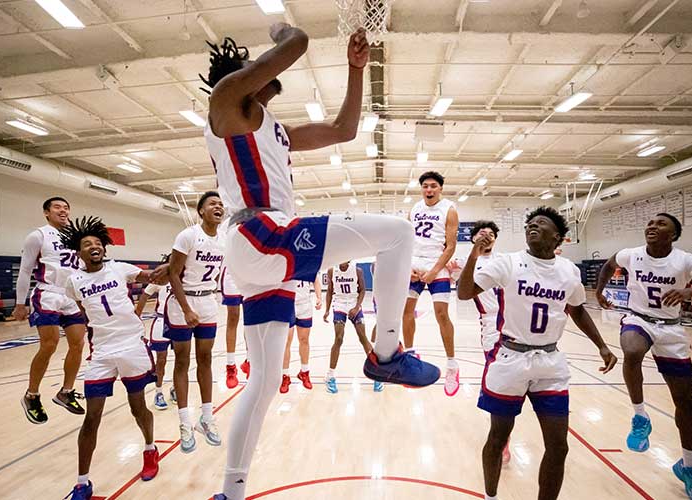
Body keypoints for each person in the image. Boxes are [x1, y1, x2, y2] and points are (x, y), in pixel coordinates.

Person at [201, 24, 439, 500]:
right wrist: (283, 29)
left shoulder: (276, 130)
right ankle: (388, 355)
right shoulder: (226, 101)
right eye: (257, 68)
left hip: (257, 255)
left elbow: (343, 130)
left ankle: (231, 489)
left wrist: (356, 71)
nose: (268, 75)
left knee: (266, 380)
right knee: (398, 233)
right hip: (262, 233)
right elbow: (298, 44)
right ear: (245, 73)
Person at [457, 207, 617, 500]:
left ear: (557, 236)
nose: (532, 226)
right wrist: (473, 255)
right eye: (529, 223)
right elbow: (464, 292)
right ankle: (491, 497)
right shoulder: (509, 263)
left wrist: (602, 345)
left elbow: (578, 310)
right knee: (497, 437)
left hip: (550, 363)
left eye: (540, 223)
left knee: (559, 446)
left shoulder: (569, 271)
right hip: (510, 357)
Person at [594, 213, 692, 500]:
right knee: (632, 350)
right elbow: (607, 265)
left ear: (673, 234)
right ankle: (640, 417)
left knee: (685, 404)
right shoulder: (631, 255)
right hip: (638, 319)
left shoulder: (687, 260)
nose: (652, 226)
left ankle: (689, 468)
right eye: (650, 223)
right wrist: (599, 291)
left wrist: (689, 290)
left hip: (671, 329)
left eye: (661, 224)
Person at [59, 216, 166, 500]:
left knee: (137, 408)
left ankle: (150, 449)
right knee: (92, 418)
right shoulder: (74, 281)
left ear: (104, 248)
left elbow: (153, 278)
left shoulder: (120, 268)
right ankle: (82, 483)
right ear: (79, 252)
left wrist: (171, 266)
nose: (94, 246)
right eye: (87, 244)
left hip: (131, 344)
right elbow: (83, 311)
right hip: (102, 351)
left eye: (97, 242)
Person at [14, 196, 87, 424]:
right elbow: (25, 271)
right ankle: (31, 395)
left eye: (66, 207)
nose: (63, 210)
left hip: (71, 295)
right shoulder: (38, 235)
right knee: (49, 344)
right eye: (57, 207)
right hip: (48, 293)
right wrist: (20, 303)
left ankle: (65, 391)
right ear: (47, 212)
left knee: (78, 344)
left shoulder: (77, 237)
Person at [165, 191, 226, 452]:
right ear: (200, 211)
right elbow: (173, 273)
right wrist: (187, 308)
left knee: (206, 359)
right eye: (212, 203)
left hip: (208, 302)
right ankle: (184, 422)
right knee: (182, 360)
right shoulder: (188, 235)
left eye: (221, 204)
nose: (218, 206)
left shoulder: (224, 239)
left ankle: (207, 417)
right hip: (182, 304)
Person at [449, 220, 510, 465]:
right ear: (473, 238)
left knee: (511, 384)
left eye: (492, 233)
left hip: (515, 322)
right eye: (482, 233)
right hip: (491, 325)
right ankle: (503, 439)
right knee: (500, 382)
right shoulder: (463, 263)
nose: (488, 236)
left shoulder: (507, 260)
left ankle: (503, 436)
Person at [404, 171, 460, 396]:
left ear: (440, 188)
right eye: (425, 186)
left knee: (442, 314)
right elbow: (405, 240)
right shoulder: (414, 209)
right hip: (415, 264)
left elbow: (451, 246)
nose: (429, 189)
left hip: (437, 265)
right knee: (406, 311)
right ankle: (409, 355)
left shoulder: (449, 209)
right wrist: (408, 267)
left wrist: (434, 271)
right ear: (421, 189)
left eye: (433, 186)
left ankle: (452, 365)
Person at [322, 262, 384, 394]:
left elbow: (362, 290)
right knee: (338, 339)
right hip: (339, 304)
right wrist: (327, 310)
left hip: (353, 304)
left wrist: (357, 307)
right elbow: (329, 291)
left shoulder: (358, 271)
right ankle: (330, 375)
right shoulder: (332, 270)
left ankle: (378, 374)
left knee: (363, 338)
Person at [134, 254, 174, 410]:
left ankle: (176, 389)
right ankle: (158, 392)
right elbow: (144, 297)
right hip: (162, 322)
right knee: (161, 360)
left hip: (179, 322)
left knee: (182, 360)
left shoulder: (185, 279)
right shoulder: (159, 280)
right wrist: (136, 316)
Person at [280, 277, 322, 393]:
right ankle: (285, 376)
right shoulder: (284, 260)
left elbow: (316, 280)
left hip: (305, 305)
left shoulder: (307, 261)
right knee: (286, 342)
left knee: (304, 340)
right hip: (287, 304)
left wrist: (319, 297)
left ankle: (304, 372)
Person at [221, 265, 249, 388]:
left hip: (250, 274)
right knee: (233, 318)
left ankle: (249, 361)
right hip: (232, 274)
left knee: (251, 321)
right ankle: (231, 366)